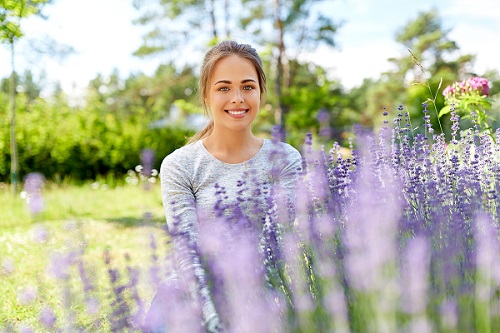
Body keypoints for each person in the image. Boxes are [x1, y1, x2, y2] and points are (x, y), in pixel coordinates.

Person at [144, 40, 302, 333]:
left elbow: (274, 246)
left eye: (247, 86)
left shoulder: (285, 159)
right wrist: (213, 318)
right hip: (192, 294)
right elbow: (187, 253)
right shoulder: (180, 165)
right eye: (224, 88)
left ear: (261, 92)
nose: (237, 98)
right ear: (206, 94)